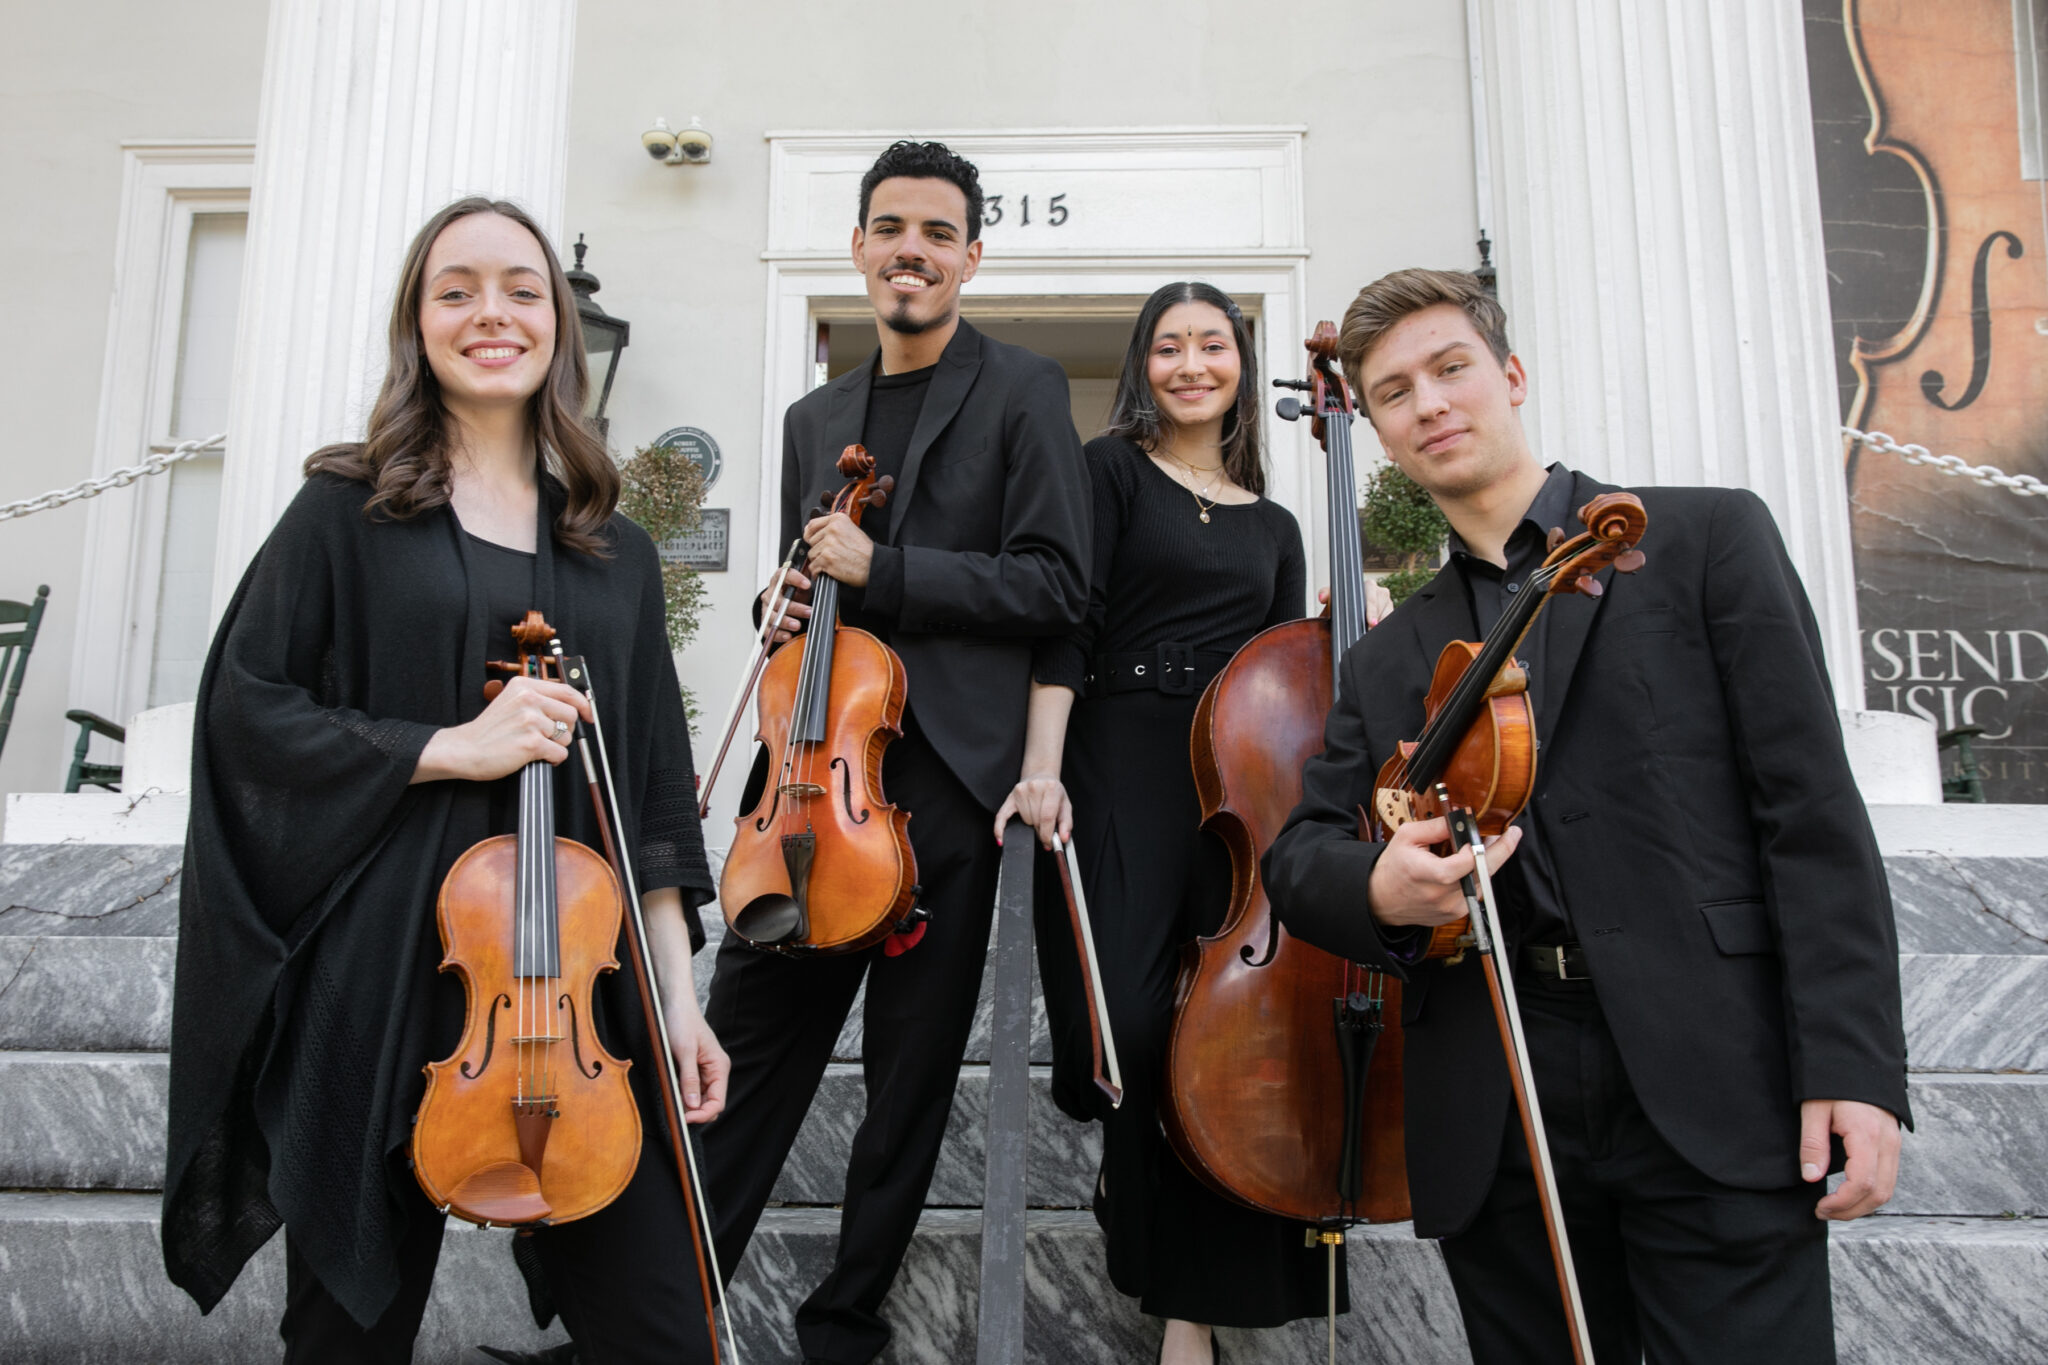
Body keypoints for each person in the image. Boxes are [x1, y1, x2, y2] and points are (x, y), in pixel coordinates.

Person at [1263, 268, 1910, 1364]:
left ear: (1509, 377)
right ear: (1373, 429)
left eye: (1449, 368)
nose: (1427, 403)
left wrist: (1851, 1068)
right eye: (1392, 392)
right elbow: (1298, 859)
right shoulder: (1387, 657)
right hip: (1502, 1086)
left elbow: (1808, 819)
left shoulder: (1703, 543)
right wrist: (1380, 887)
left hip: (1712, 1068)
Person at [160, 197, 727, 1364]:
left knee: (663, 1327)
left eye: (521, 289)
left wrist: (678, 1006)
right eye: (454, 289)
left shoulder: (609, 547)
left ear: (559, 325)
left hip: (576, 980)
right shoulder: (347, 507)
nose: (491, 315)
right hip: (386, 966)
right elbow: (246, 709)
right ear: (417, 324)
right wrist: (444, 745)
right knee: (346, 1332)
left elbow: (652, 796)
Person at [698, 140, 1092, 1365]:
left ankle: (842, 1325)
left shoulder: (1023, 390)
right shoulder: (814, 416)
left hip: (948, 789)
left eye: (934, 230)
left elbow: (1055, 584)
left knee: (906, 1081)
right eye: (886, 228)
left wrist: (888, 572)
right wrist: (791, 604)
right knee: (745, 1055)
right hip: (815, 781)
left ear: (970, 255)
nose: (907, 249)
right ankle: (656, 1311)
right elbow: (818, 589)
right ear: (858, 249)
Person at [993, 280, 1354, 1365]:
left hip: (1237, 787)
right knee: (1137, 1026)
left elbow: (1290, 673)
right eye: (1167, 346)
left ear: (1241, 365)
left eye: (1211, 344)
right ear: (1142, 365)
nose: (1190, 363)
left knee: (1222, 1034)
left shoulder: (1280, 523)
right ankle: (1128, 1176)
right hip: (1118, 762)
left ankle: (1185, 1317)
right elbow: (1068, 624)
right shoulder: (1105, 474)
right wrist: (1042, 769)